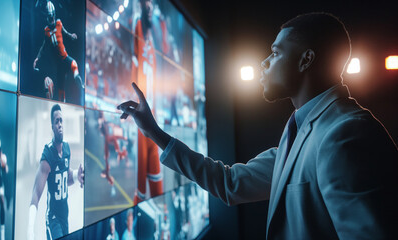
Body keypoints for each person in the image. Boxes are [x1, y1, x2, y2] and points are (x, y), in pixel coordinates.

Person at [118, 12, 398, 239]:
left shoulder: (345, 133)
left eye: (275, 53)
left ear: (306, 60)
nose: (264, 62)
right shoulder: (301, 131)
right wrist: (153, 132)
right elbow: (229, 183)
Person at [27, 104, 84, 240]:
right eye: (56, 121)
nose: (60, 124)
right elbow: (36, 192)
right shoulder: (48, 154)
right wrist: (30, 230)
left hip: (65, 216)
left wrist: (77, 175)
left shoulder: (67, 149)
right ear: (52, 126)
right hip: (53, 219)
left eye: (61, 120)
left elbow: (65, 177)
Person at [131, 0, 164, 204]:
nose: (150, 5)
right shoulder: (138, 26)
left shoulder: (154, 38)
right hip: (142, 123)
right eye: (146, 1)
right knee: (141, 192)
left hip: (155, 120)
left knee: (158, 185)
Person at [33, 1, 84, 102]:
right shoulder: (46, 30)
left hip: (65, 57)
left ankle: (77, 79)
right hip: (58, 65)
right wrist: (37, 58)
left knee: (74, 64)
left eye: (52, 16)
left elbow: (65, 33)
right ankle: (63, 103)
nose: (51, 19)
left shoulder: (59, 23)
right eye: (49, 16)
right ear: (47, 16)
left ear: (54, 15)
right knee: (61, 89)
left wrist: (71, 36)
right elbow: (43, 46)